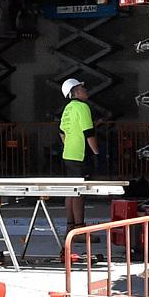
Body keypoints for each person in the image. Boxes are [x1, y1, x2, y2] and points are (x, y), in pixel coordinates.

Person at [57, 76, 96, 229]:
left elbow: (61, 132)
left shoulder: (67, 109)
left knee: (71, 190)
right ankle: (79, 228)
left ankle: (70, 226)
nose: (86, 91)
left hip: (68, 154)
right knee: (79, 192)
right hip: (80, 155)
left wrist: (68, 144)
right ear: (76, 92)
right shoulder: (83, 107)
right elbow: (89, 133)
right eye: (83, 88)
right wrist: (97, 152)